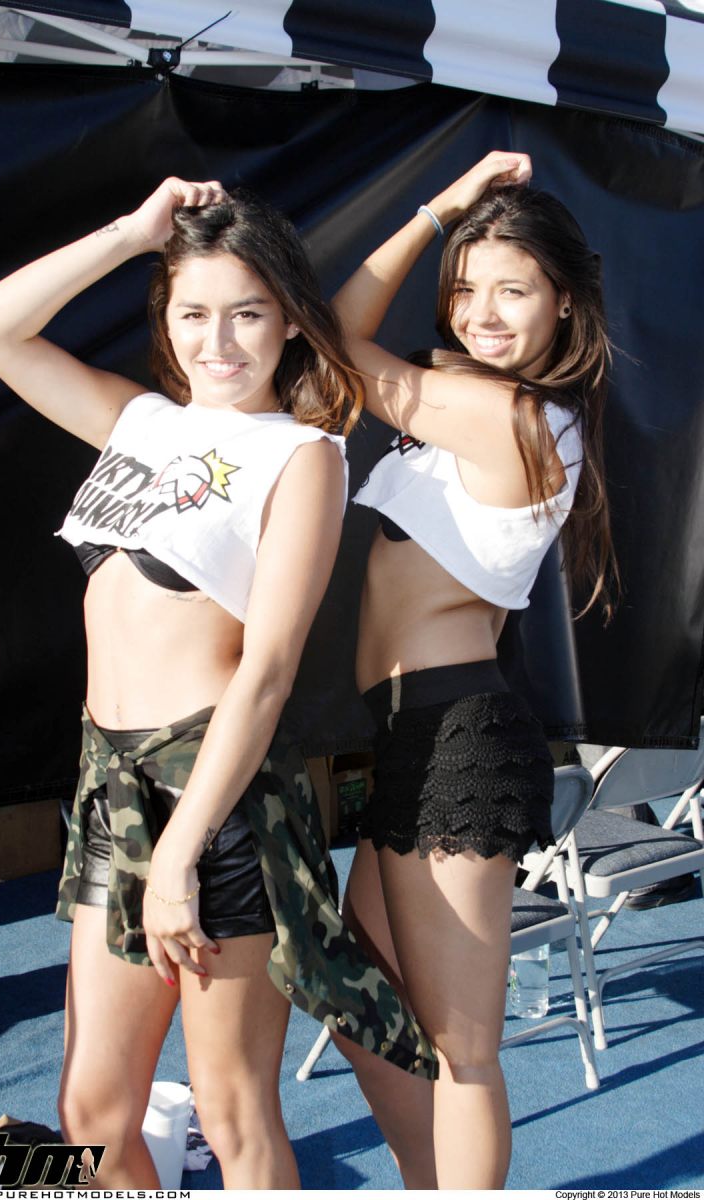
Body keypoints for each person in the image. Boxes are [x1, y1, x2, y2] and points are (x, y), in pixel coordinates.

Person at [0, 177, 419, 1189]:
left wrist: (178, 853)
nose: (219, 341)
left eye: (247, 313)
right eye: (193, 312)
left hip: (218, 799)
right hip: (109, 786)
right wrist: (130, 234)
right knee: (91, 1112)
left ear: (290, 322)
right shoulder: (139, 421)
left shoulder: (301, 456)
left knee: (232, 1111)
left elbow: (268, 671)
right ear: (165, 319)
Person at [329, 151, 618, 1189]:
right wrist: (441, 218)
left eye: (512, 291)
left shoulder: (509, 417)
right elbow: (341, 343)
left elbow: (332, 337)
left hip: (456, 736)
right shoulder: (475, 396)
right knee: (356, 997)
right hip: (415, 733)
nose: (481, 313)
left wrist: (434, 212)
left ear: (562, 301)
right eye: (464, 288)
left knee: (463, 1050)